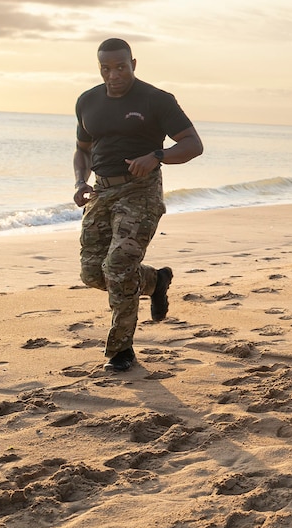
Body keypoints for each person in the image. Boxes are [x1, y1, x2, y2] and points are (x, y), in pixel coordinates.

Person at [73, 38, 204, 372]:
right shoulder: (87, 101)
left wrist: (157, 156)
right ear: (99, 68)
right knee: (93, 273)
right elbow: (83, 150)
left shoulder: (156, 99)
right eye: (106, 68)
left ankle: (121, 351)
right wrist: (80, 181)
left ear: (133, 64)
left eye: (121, 67)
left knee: (117, 267)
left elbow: (193, 144)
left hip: (141, 192)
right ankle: (155, 281)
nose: (114, 75)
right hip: (101, 191)